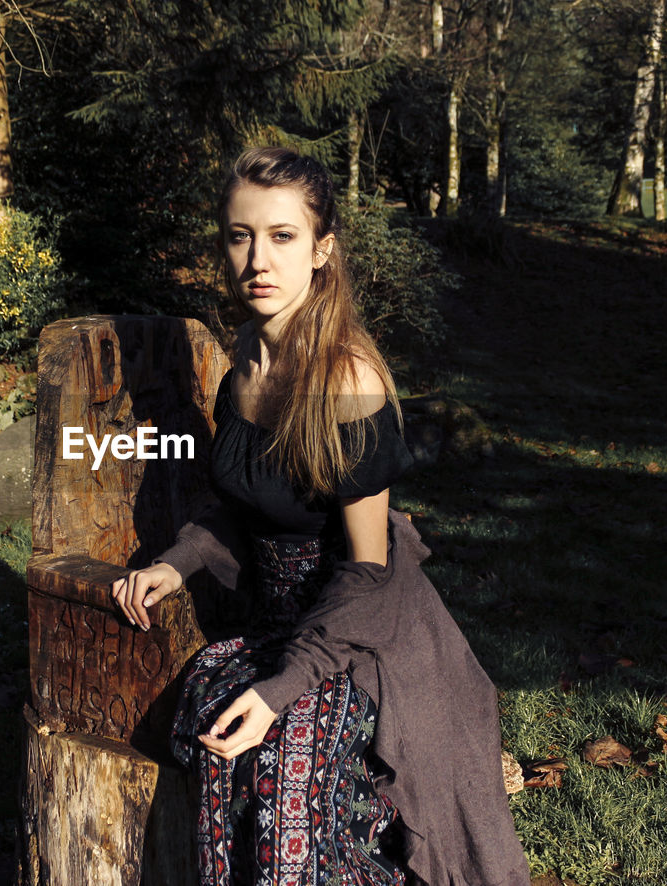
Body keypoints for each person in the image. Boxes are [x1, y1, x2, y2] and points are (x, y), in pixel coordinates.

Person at [112, 147, 530, 886]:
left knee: (284, 759)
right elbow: (242, 506)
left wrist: (282, 687)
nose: (257, 259)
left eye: (282, 236)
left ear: (322, 251)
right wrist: (172, 565)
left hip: (367, 639)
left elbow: (369, 572)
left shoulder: (348, 378)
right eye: (240, 236)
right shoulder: (243, 360)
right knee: (216, 731)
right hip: (279, 624)